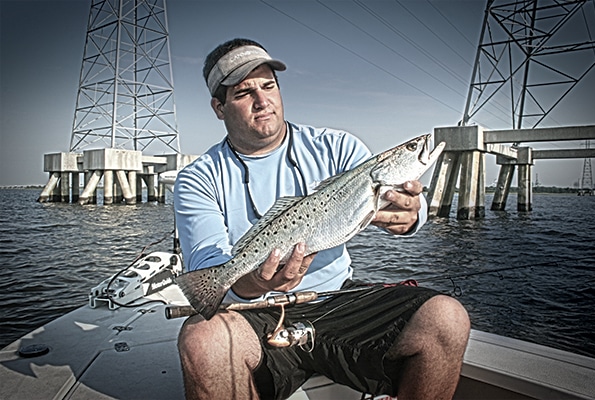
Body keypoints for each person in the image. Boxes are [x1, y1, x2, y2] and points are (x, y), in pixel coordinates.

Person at [174, 38, 470, 400]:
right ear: (219, 108)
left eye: (269, 86)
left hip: (337, 300)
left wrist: (409, 214)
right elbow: (210, 268)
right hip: (254, 311)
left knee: (447, 317)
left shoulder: (338, 147)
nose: (262, 100)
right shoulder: (198, 177)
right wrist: (256, 282)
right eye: (243, 92)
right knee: (200, 340)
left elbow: (407, 211)